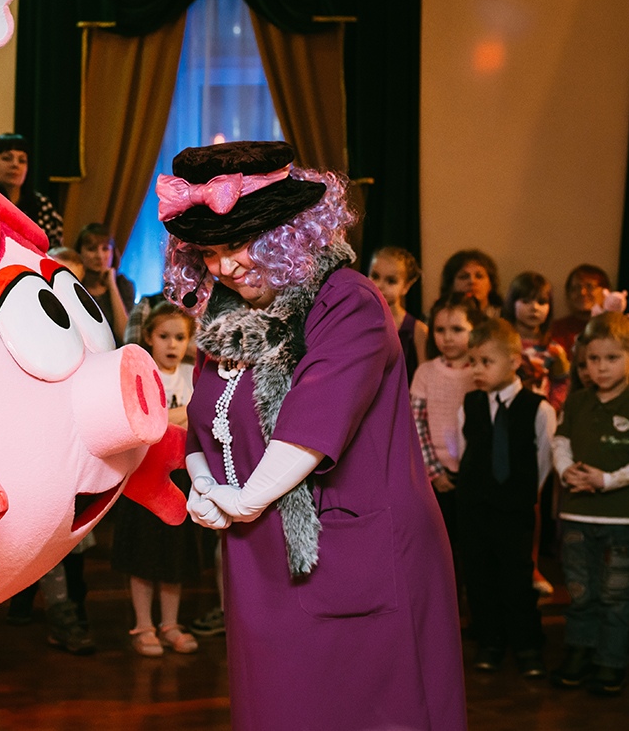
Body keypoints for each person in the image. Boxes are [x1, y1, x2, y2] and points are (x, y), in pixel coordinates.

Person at [163, 140, 465, 730]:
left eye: (238, 244)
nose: (224, 267)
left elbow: (315, 419)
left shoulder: (348, 300)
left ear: (287, 235)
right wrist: (203, 484)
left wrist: (243, 499)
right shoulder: (224, 316)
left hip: (346, 548)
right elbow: (204, 422)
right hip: (257, 554)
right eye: (210, 252)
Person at [548, 311, 629, 695]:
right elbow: (560, 443)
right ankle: (579, 652)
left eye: (611, 358)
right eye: (593, 359)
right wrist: (567, 472)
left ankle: (611, 661)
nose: (601, 367)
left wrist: (605, 480)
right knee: (581, 591)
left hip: (621, 522)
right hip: (577, 516)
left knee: (617, 595)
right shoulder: (578, 402)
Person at [455, 318, 556, 677]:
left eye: (486, 362)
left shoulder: (539, 409)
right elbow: (465, 452)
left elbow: (543, 461)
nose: (477, 370)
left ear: (513, 361)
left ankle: (527, 645)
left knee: (517, 577)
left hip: (514, 511)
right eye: (473, 362)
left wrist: (519, 495)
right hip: (475, 510)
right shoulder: (469, 405)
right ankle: (490, 641)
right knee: (480, 576)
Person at [112, 303, 200, 657]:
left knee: (173, 556)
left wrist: (171, 418)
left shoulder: (194, 374)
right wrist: (182, 415)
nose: (172, 344)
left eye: (179, 337)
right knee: (142, 556)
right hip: (143, 480)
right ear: (149, 336)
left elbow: (198, 419)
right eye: (164, 336)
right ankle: (143, 625)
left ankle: (170, 624)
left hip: (181, 481)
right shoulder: (143, 374)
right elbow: (147, 420)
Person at [409, 292, 484, 543]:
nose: (448, 337)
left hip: (475, 472)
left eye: (457, 329)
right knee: (442, 540)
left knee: (472, 540)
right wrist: (435, 472)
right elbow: (417, 426)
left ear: (474, 330)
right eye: (440, 330)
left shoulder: (481, 373)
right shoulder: (426, 372)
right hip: (436, 473)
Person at [503, 271, 571, 412]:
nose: (534, 308)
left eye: (541, 302)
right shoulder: (500, 344)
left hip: (541, 413)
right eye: (526, 301)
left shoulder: (554, 350)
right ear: (512, 303)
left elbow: (562, 383)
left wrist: (552, 408)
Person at [0, 133, 63, 249]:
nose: (15, 165)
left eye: (22, 160)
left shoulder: (42, 205)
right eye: (7, 158)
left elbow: (55, 251)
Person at [368, 246, 427, 383]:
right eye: (375, 276)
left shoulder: (418, 330)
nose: (380, 285)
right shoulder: (356, 321)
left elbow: (425, 379)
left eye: (391, 281)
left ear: (406, 286)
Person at [76, 223, 134, 346]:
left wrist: (112, 285)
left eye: (105, 249)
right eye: (91, 249)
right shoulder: (74, 283)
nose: (100, 256)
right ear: (80, 252)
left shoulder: (123, 285)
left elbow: (124, 336)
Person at [549, 264, 609, 355]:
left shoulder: (616, 327)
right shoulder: (556, 329)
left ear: (606, 291)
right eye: (575, 288)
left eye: (589, 286)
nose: (582, 292)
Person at [439, 248, 504, 318]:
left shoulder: (505, 318)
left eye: (479, 276)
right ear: (451, 285)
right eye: (464, 277)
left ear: (491, 284)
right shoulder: (439, 318)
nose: (472, 281)